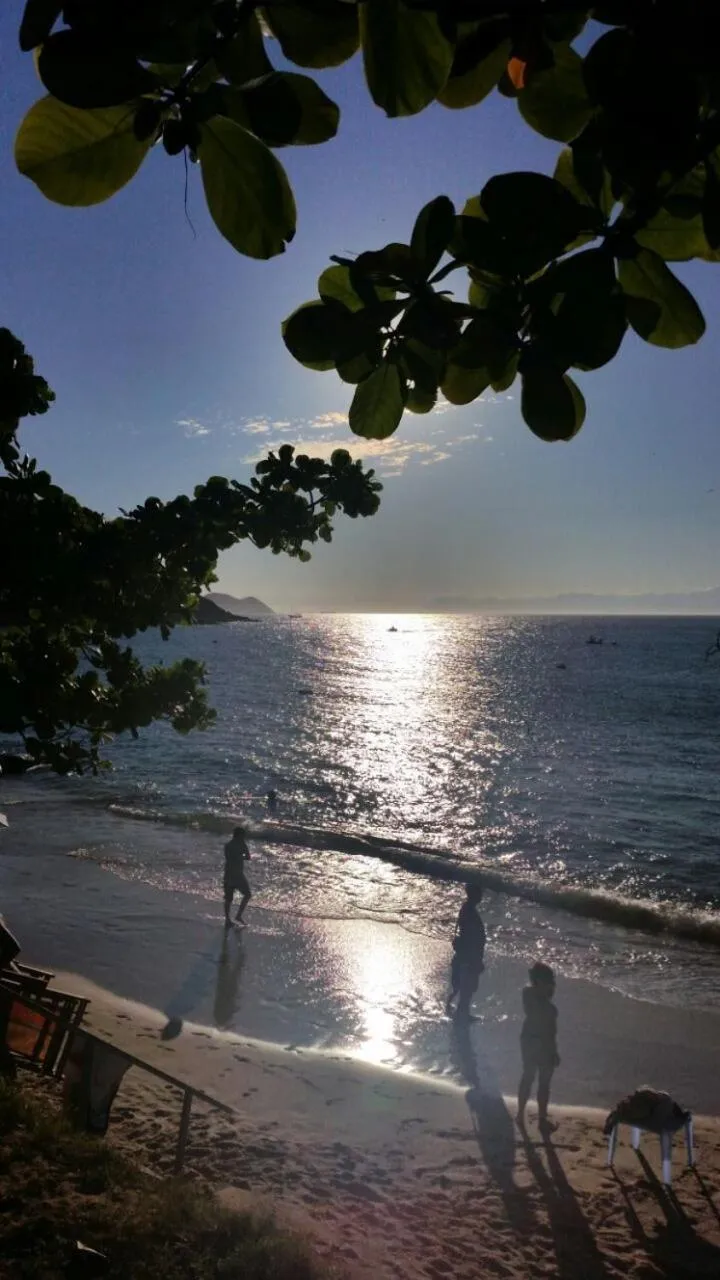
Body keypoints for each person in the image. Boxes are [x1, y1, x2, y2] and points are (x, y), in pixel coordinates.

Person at [517, 961, 560, 1131]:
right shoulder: (546, 1006)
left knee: (531, 1078)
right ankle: (538, 1118)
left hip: (529, 1040)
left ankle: (523, 1115)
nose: (552, 985)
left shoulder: (528, 995)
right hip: (539, 1043)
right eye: (550, 981)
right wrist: (554, 1051)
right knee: (540, 1081)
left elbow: (551, 1032)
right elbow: (550, 1032)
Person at [445, 883, 486, 1019]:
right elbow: (472, 937)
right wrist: (476, 958)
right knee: (468, 986)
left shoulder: (466, 909)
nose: (481, 895)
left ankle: (456, 1008)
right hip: (470, 954)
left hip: (466, 953)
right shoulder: (470, 912)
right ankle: (462, 1013)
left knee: (463, 985)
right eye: (479, 893)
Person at [223, 826, 252, 928]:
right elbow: (248, 857)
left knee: (230, 898)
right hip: (236, 875)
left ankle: (231, 918)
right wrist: (241, 856)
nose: (244, 837)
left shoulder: (228, 845)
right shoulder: (239, 845)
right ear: (239, 835)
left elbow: (247, 857)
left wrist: (239, 856)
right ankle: (234, 917)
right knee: (243, 895)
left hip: (231, 874)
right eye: (243, 835)